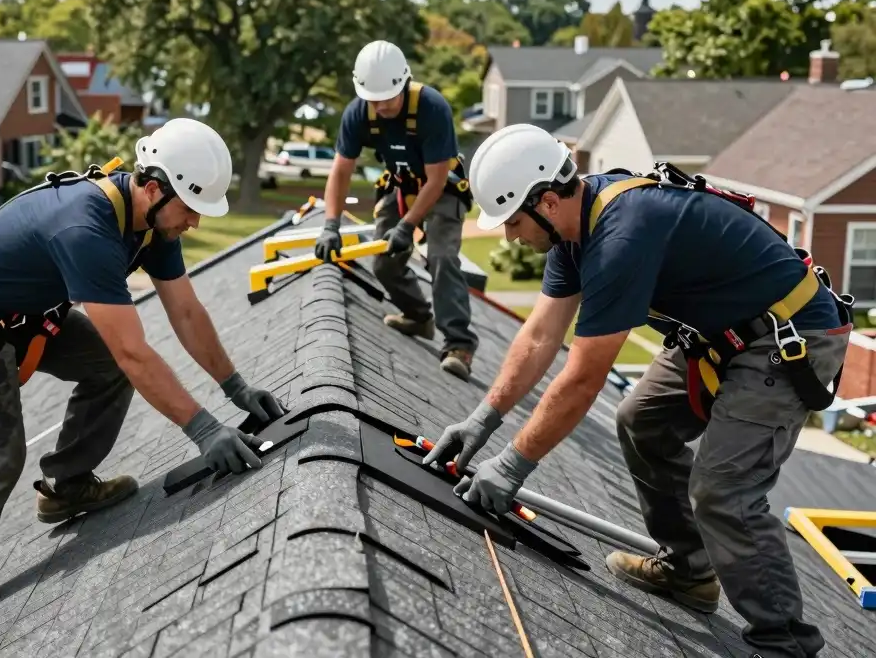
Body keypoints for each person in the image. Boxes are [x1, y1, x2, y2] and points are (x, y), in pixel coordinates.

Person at [424, 123, 853, 658]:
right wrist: (482, 419)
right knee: (641, 421)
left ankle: (785, 644)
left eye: (512, 222)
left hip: (788, 337)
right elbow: (538, 337)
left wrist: (512, 466)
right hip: (723, 333)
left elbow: (582, 378)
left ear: (548, 201)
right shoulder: (574, 231)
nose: (510, 237)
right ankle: (689, 571)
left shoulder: (621, 237)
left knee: (723, 489)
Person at [0, 119, 281, 621]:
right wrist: (205, 430)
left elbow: (187, 313)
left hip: (22, 314)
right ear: (154, 188)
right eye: (191, 209)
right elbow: (134, 352)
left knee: (106, 365)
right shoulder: (85, 228)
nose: (193, 223)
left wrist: (237, 388)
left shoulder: (151, 223)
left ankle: (67, 487)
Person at [314, 39, 479, 379]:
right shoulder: (358, 113)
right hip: (401, 186)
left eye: (387, 97)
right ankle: (419, 317)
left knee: (442, 257)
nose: (380, 106)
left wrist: (407, 226)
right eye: (372, 99)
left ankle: (459, 345)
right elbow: (341, 171)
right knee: (383, 263)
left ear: (404, 83)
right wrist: (331, 224)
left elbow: (436, 180)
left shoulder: (431, 108)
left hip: (442, 188)